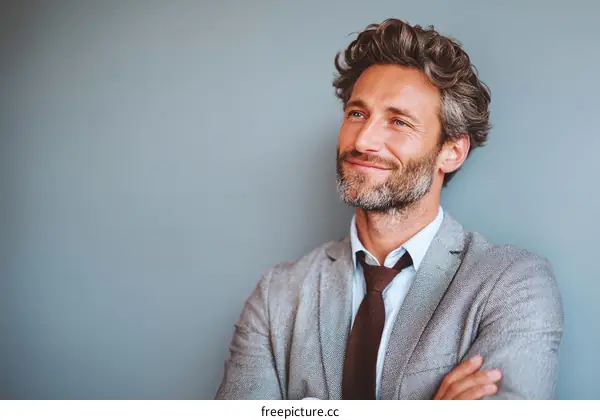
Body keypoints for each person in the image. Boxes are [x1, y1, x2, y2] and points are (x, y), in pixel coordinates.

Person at [215, 18, 564, 400]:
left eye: (398, 121)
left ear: (452, 152)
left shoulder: (512, 284)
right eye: (357, 113)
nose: (364, 140)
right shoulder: (278, 295)